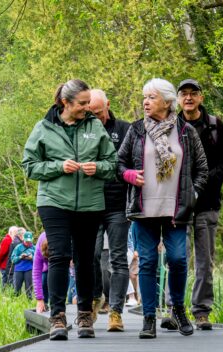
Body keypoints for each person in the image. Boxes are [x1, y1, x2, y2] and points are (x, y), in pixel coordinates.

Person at [22, 79, 117, 340]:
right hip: (54, 202)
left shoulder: (95, 126)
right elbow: (29, 165)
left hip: (90, 203)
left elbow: (112, 163)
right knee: (60, 256)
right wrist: (57, 167)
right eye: (82, 103)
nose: (88, 108)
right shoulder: (43, 128)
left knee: (87, 259)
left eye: (89, 103)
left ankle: (85, 313)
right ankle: (58, 317)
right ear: (65, 102)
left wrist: (97, 168)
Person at [117, 78, 208, 339]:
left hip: (176, 210)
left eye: (152, 97)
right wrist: (129, 176)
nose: (146, 102)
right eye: (144, 97)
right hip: (143, 209)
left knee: (178, 259)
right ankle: (148, 318)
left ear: (167, 102)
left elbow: (201, 168)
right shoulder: (135, 131)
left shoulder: (186, 132)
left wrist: (194, 193)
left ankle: (177, 309)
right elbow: (119, 164)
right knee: (146, 262)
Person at [176, 78, 223, 330]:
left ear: (201, 97)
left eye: (193, 93)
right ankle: (174, 309)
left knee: (204, 261)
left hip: (208, 203)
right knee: (177, 259)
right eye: (184, 94)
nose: (188, 98)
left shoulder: (214, 126)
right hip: (177, 205)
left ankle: (201, 311)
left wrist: (203, 183)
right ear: (178, 99)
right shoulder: (171, 125)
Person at [89, 89, 132, 332]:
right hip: (91, 203)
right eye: (91, 114)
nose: (97, 118)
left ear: (108, 105)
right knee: (92, 255)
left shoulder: (124, 129)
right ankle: (97, 296)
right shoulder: (83, 130)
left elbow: (128, 163)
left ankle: (116, 311)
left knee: (117, 259)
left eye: (99, 112)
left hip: (117, 204)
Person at [10, 231, 35, 298]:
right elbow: (12, 259)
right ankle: (16, 301)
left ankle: (29, 302)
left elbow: (38, 260)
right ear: (23, 239)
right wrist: (20, 257)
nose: (28, 243)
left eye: (29, 241)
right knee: (17, 288)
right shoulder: (18, 247)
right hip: (18, 270)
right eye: (26, 241)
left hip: (29, 269)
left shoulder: (34, 248)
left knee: (29, 289)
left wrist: (31, 258)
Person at [33, 232, 49, 313]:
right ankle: (45, 303)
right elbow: (36, 272)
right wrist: (39, 299)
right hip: (46, 269)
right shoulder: (39, 246)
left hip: (62, 262)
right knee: (44, 280)